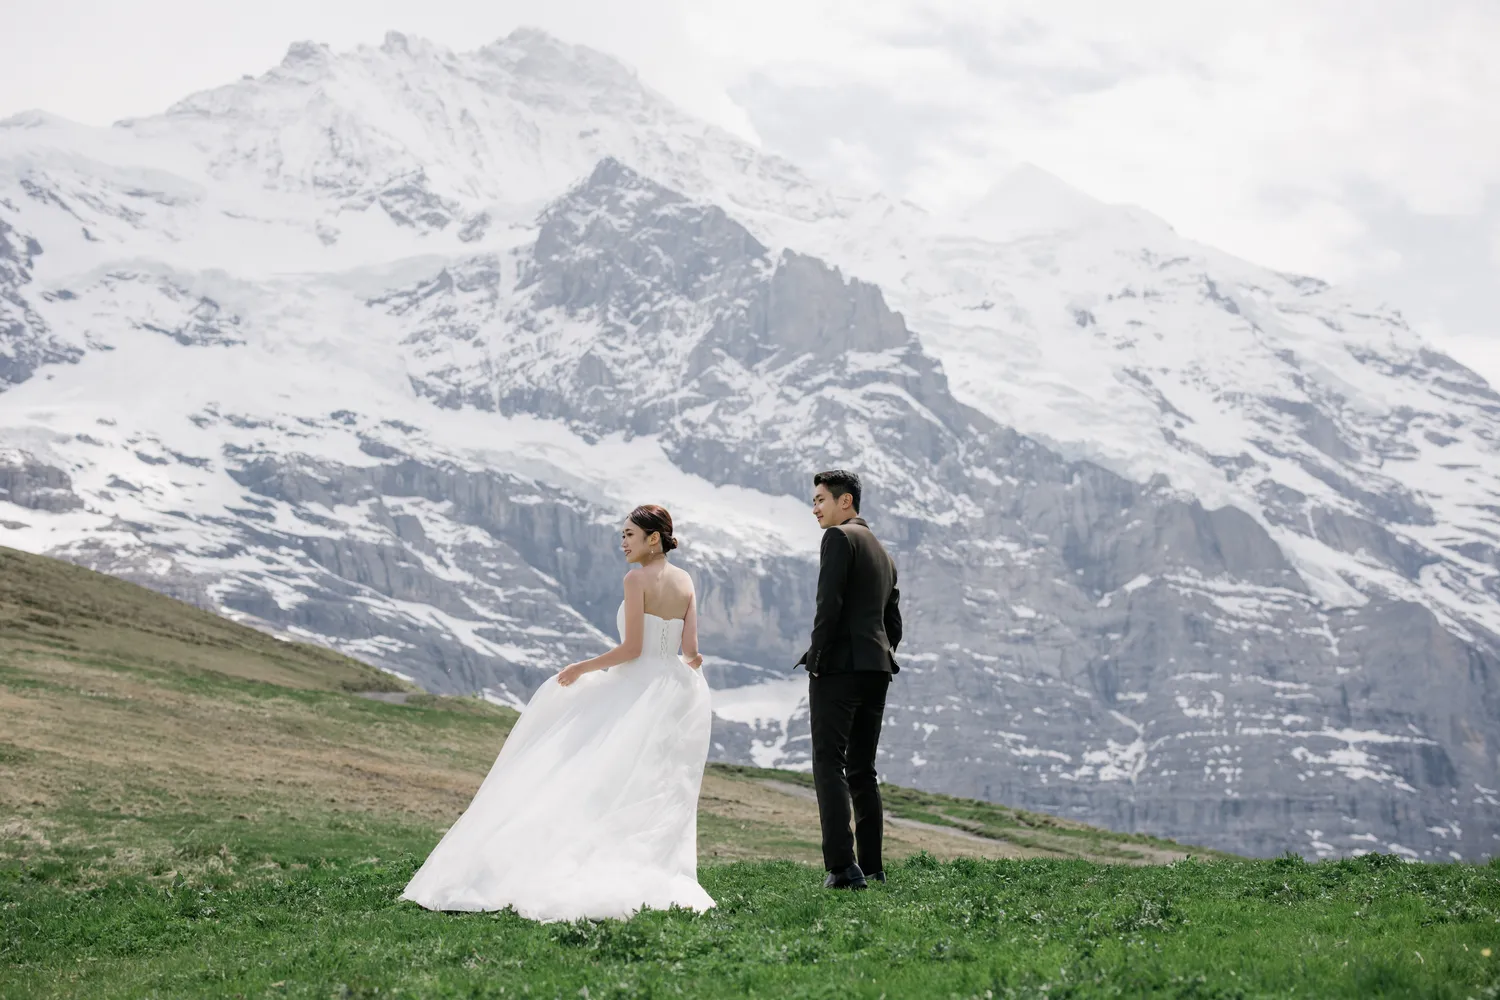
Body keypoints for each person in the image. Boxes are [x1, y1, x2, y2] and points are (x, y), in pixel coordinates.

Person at [400, 504, 714, 922]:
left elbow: (632, 650)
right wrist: (682, 670)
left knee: (581, 765)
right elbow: (690, 651)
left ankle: (561, 855)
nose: (622, 542)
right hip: (671, 689)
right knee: (647, 782)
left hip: (635, 684)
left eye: (629, 535)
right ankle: (646, 865)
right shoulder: (686, 580)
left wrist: (580, 668)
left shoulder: (636, 578)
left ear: (653, 538)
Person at [796, 470, 902, 890]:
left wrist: (817, 659)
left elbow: (829, 605)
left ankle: (842, 867)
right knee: (863, 770)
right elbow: (894, 623)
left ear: (846, 502)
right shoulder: (885, 554)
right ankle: (873, 867)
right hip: (877, 669)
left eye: (821, 499)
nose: (815, 508)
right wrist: (877, 652)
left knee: (829, 762)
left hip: (840, 668)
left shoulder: (839, 538)